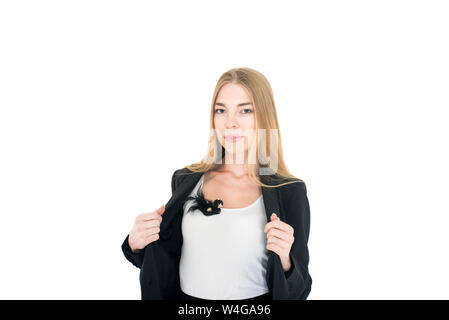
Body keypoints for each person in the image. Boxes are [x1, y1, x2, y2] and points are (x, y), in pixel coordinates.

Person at [122, 67, 312, 300]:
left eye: (245, 110)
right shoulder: (186, 180)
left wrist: (285, 261)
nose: (230, 122)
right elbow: (165, 260)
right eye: (221, 110)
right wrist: (136, 244)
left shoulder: (289, 191)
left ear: (264, 116)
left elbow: (300, 288)